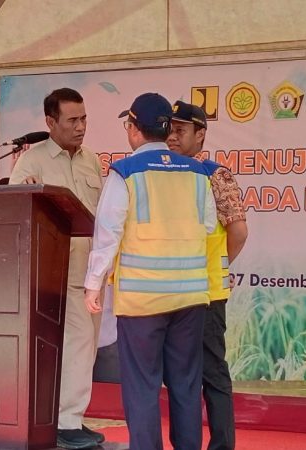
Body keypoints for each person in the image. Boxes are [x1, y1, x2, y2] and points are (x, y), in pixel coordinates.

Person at [83, 93, 216, 450]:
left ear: (133, 128)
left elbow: (108, 234)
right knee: (186, 383)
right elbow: (207, 226)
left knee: (142, 385)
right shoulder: (198, 172)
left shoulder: (125, 172)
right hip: (190, 296)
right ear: (168, 129)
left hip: (142, 299)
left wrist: (93, 284)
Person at [9, 87, 104, 450]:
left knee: (85, 348)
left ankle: (69, 418)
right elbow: (14, 213)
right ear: (50, 122)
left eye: (84, 119)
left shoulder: (91, 160)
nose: (81, 127)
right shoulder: (31, 162)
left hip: (90, 273)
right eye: (72, 120)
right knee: (77, 343)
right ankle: (65, 422)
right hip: (54, 273)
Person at [167, 101, 248, 450]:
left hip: (207, 293)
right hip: (170, 291)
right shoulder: (163, 172)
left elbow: (238, 232)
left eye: (180, 130)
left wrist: (217, 264)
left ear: (200, 135)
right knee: (179, 375)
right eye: (169, 129)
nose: (172, 137)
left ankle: (221, 446)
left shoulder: (216, 175)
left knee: (212, 372)